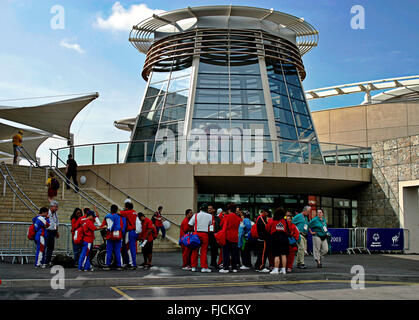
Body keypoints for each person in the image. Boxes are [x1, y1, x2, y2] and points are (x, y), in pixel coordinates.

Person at [266, 208, 292, 274]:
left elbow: (267, 228)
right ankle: (283, 270)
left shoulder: (272, 220)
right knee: (283, 255)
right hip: (284, 238)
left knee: (276, 255)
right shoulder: (285, 221)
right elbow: (288, 231)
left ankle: (276, 269)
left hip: (275, 238)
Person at [188, 203, 212, 273]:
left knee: (194, 251)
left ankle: (193, 267)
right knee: (203, 251)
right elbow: (210, 224)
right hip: (204, 234)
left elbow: (190, 224)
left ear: (200, 209)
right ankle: (204, 267)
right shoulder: (209, 215)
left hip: (196, 233)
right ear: (206, 209)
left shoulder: (195, 215)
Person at [219, 203, 242, 273]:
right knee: (234, 253)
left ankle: (226, 267)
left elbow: (222, 225)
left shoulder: (227, 216)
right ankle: (234, 267)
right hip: (235, 237)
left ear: (229, 209)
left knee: (226, 253)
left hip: (227, 236)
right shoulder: (238, 217)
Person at [101, 204, 124, 270]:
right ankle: (119, 265)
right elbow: (121, 226)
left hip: (109, 235)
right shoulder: (119, 217)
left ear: (110, 209)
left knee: (109, 251)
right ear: (116, 210)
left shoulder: (107, 216)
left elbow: (103, 225)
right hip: (117, 236)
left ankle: (107, 265)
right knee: (118, 251)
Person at [119, 201, 139, 269]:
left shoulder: (128, 212)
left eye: (125, 206)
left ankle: (133, 264)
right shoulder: (135, 212)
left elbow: (119, 212)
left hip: (130, 232)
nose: (124, 208)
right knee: (131, 248)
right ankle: (130, 262)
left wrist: (123, 210)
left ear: (127, 208)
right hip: (135, 231)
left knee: (129, 248)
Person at [255, 206, 270, 273]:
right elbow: (266, 229)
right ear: (263, 211)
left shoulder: (260, 218)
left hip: (260, 239)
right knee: (263, 254)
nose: (267, 213)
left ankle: (257, 266)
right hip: (263, 239)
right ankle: (261, 267)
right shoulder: (262, 219)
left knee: (261, 254)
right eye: (266, 212)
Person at [45, 200, 59, 267]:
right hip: (47, 231)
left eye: (57, 207)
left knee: (51, 247)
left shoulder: (55, 214)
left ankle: (48, 261)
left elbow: (56, 223)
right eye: (55, 207)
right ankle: (42, 261)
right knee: (45, 246)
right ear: (51, 207)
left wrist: (56, 231)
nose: (56, 208)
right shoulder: (47, 213)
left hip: (53, 231)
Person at [208, 204, 221, 269]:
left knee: (215, 250)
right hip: (207, 234)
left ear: (213, 210)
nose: (209, 210)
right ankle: (204, 265)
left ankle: (213, 263)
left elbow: (219, 226)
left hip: (214, 234)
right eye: (208, 209)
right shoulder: (206, 217)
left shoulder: (217, 218)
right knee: (204, 250)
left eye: (210, 208)